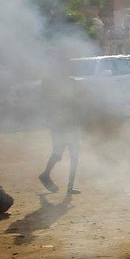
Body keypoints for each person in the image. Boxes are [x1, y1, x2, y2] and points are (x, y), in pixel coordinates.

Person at [39, 59, 82, 196]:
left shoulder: (54, 83)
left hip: (62, 123)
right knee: (67, 154)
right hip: (64, 123)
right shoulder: (64, 83)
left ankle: (49, 176)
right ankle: (67, 185)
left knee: (62, 153)